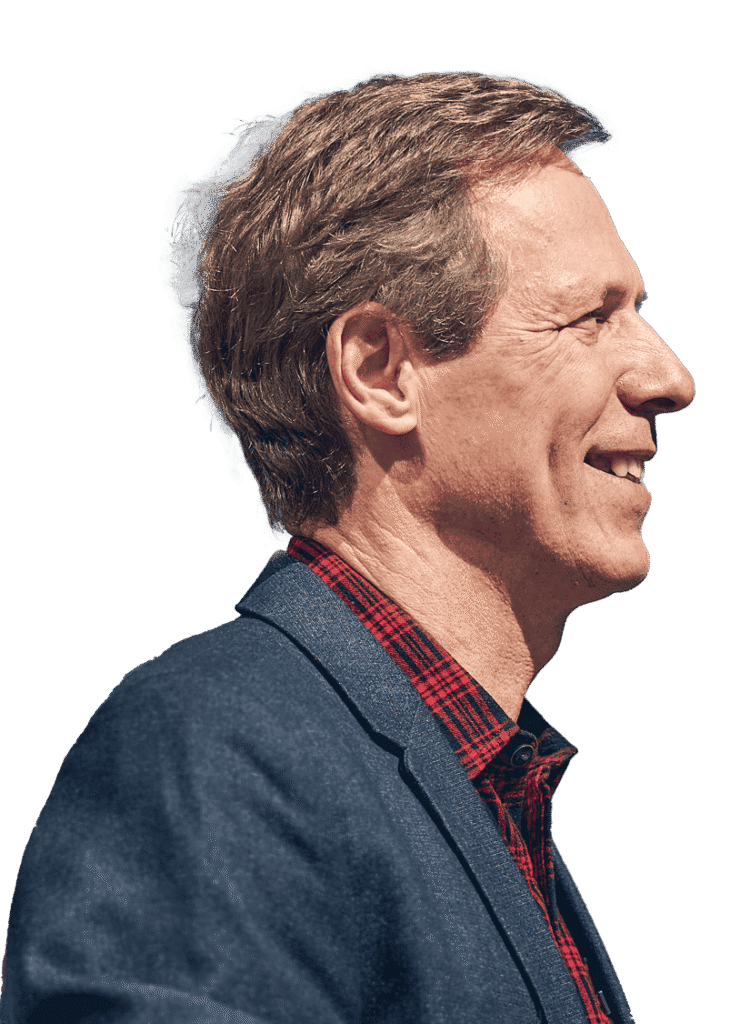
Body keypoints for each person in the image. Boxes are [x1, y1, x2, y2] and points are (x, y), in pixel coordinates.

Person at [0, 72, 694, 1024]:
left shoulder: (482, 785)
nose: (669, 376)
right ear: (380, 371)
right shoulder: (220, 748)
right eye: (591, 317)